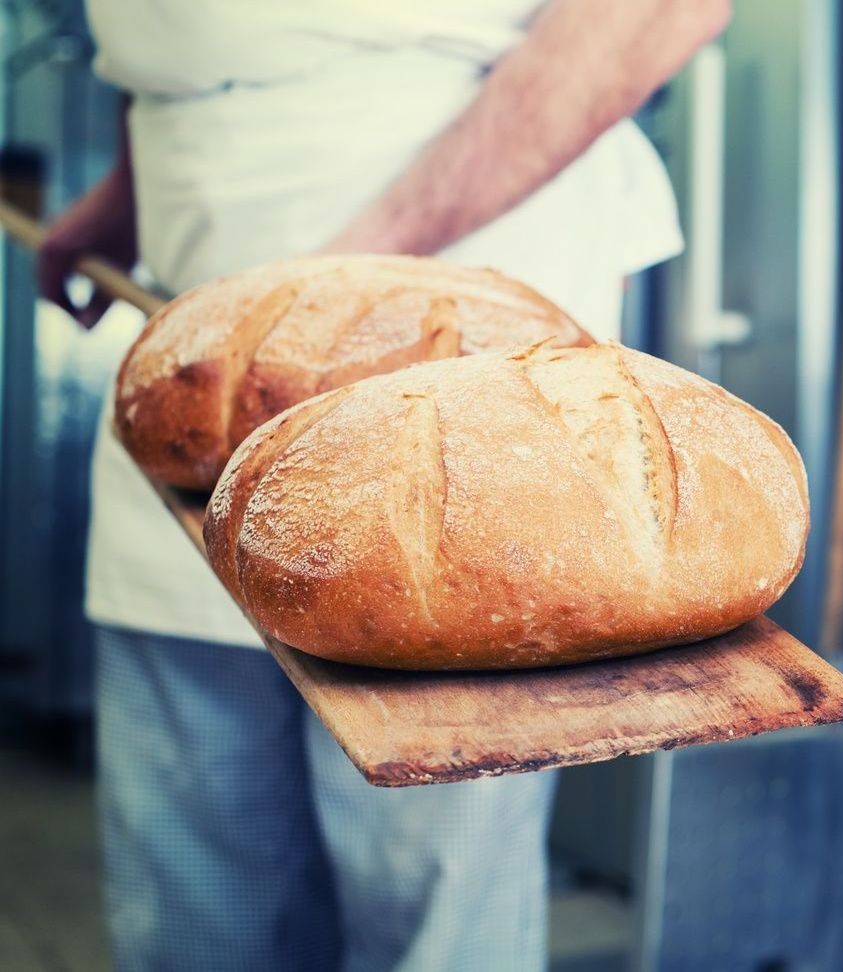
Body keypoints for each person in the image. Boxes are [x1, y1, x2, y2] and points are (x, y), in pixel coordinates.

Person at [37, 1, 730, 969]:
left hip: (450, 301)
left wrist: (346, 277)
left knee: (430, 907)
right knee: (197, 887)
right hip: (197, 346)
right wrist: (128, 191)